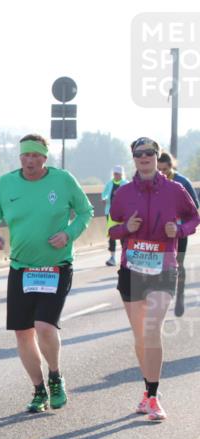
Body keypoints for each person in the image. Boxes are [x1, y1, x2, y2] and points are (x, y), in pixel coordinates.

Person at [0, 134, 93, 413]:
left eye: (35, 156)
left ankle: (55, 375)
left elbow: (85, 211)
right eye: (25, 155)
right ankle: (39, 389)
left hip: (56, 267)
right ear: (20, 157)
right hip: (21, 268)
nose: (29, 161)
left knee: (44, 326)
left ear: (44, 158)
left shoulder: (63, 180)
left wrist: (68, 234)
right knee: (23, 332)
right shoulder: (6, 184)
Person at [108, 138, 199, 420]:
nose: (144, 157)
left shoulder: (175, 190)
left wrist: (179, 230)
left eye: (150, 153)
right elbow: (111, 229)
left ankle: (153, 396)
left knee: (151, 329)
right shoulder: (123, 193)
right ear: (133, 158)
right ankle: (149, 390)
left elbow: (194, 218)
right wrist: (126, 227)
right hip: (132, 270)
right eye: (139, 153)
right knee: (140, 336)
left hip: (163, 268)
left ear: (157, 157)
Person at [157, 151, 199, 317]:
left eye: (165, 169)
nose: (162, 173)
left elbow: (195, 207)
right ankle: (162, 297)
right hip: (159, 233)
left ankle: (180, 295)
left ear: (171, 166)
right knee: (159, 265)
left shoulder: (182, 182)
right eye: (159, 169)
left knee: (178, 263)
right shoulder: (152, 181)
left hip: (179, 231)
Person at [101, 165, 128, 266]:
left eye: (117, 174)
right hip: (110, 213)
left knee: (122, 235)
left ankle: (124, 257)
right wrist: (104, 199)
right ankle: (112, 258)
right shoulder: (109, 183)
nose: (116, 176)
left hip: (122, 214)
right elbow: (104, 194)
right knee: (112, 235)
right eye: (115, 174)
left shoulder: (126, 184)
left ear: (121, 174)